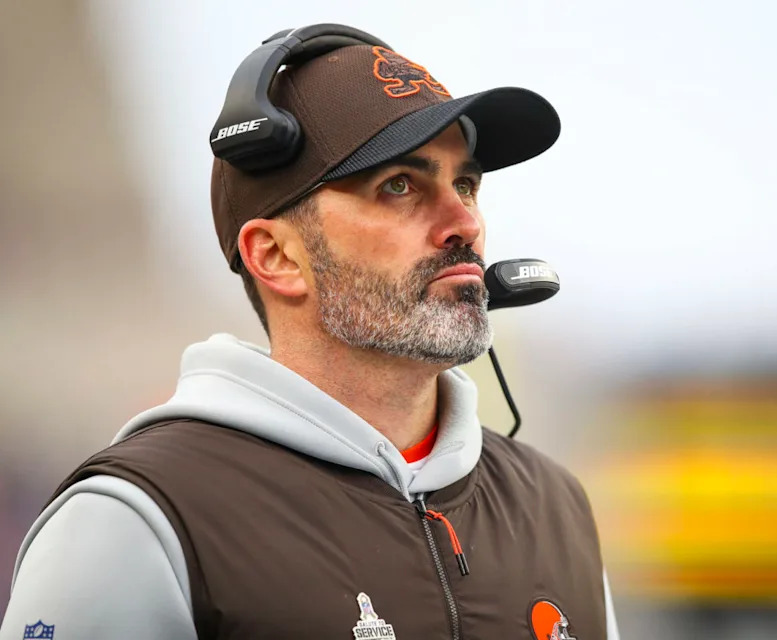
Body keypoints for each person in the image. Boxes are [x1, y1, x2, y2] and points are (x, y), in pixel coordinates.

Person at [0, 24, 620, 640]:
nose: (464, 222)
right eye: (400, 186)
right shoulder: (137, 520)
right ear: (275, 256)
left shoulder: (555, 507)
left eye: (465, 184)